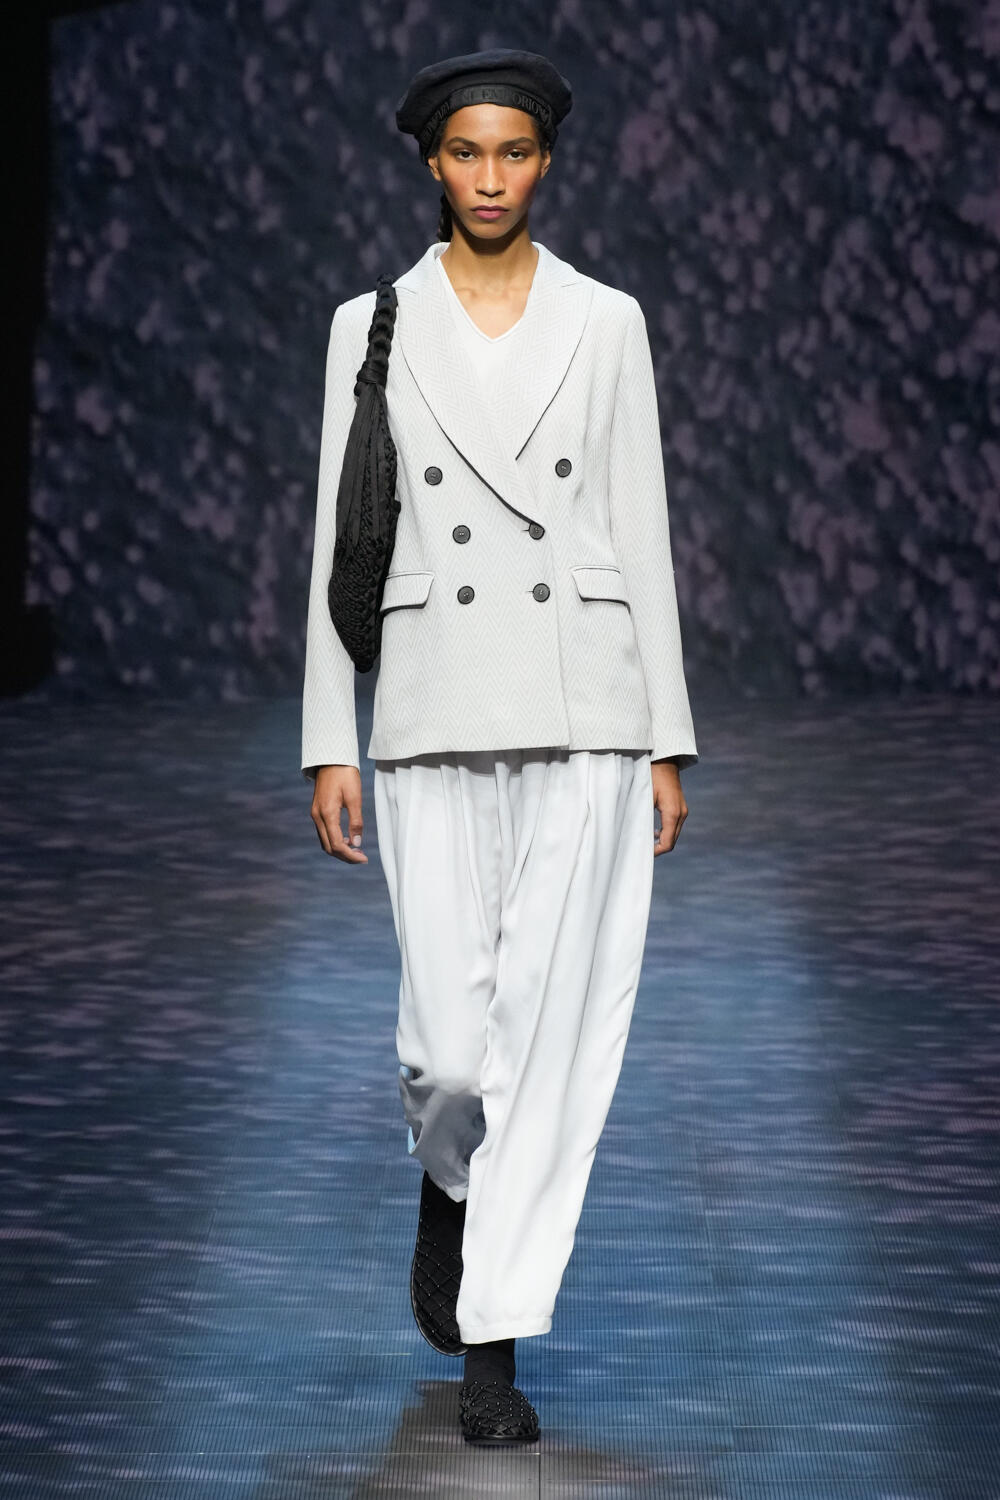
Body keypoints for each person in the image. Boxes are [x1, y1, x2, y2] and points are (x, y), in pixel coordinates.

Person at [301, 48, 698, 1447]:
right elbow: (339, 540)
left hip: (586, 703)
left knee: (549, 1039)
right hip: (430, 699)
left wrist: (666, 739)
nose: (489, 177)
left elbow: (639, 526)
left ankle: (493, 1340)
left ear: (545, 162)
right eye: (466, 152)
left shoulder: (606, 321)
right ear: (431, 161)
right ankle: (449, 1178)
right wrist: (328, 737)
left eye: (513, 152)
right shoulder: (372, 325)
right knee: (452, 1057)